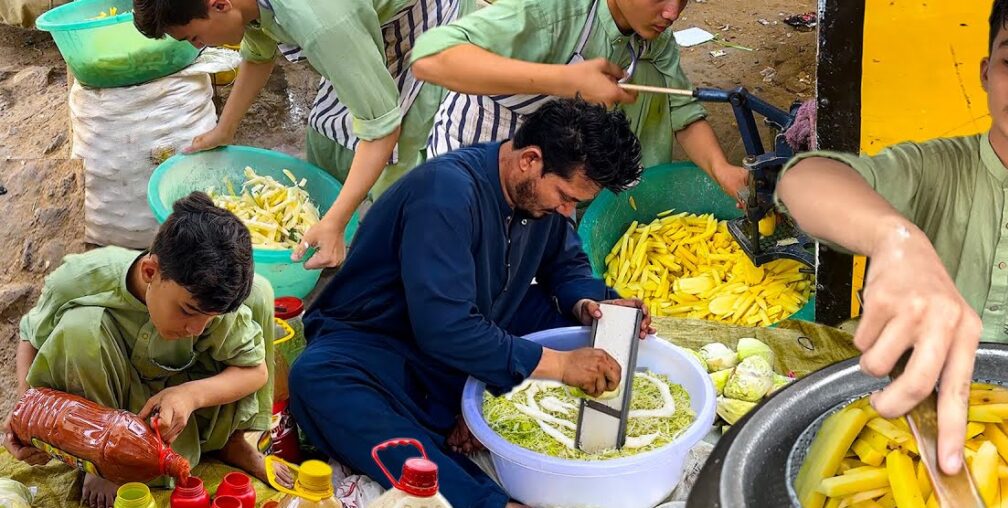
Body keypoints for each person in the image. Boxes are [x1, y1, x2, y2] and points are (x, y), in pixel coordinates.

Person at [774, 0, 1008, 477]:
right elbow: (804, 181)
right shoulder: (930, 168)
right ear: (985, 72)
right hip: (910, 438)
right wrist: (895, 237)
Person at [287, 99, 653, 507]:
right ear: (530, 160)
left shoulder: (537, 194)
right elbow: (445, 328)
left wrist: (589, 302)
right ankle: (482, 498)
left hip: (480, 326)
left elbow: (565, 264)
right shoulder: (445, 194)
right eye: (565, 196)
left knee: (592, 325)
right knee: (315, 381)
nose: (567, 210)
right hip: (384, 347)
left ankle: (467, 406)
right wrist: (562, 365)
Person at [132, 0, 465, 269]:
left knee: (396, 166)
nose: (200, 46)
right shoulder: (244, 7)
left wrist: (335, 222)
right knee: (327, 135)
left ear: (219, 5)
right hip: (354, 28)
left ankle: (407, 263)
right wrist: (224, 129)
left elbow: (383, 128)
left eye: (194, 38)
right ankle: (328, 239)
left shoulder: (320, 23)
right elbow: (259, 51)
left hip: (416, 26)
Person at [3, 192, 277, 508]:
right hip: (101, 415)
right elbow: (31, 338)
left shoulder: (205, 299)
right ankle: (101, 465)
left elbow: (254, 370)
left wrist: (189, 396)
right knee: (80, 329)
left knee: (260, 293)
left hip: (179, 423)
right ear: (150, 272)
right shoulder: (79, 279)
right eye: (187, 311)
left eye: (208, 319)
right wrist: (27, 415)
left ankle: (232, 441)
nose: (196, 328)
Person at [408, 0, 752, 204]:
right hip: (480, 160)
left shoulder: (653, 39)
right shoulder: (550, 12)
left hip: (549, 171)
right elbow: (430, 58)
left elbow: (683, 111)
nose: (672, 12)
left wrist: (721, 171)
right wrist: (566, 80)